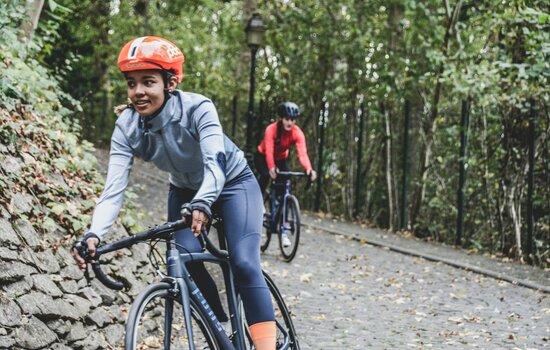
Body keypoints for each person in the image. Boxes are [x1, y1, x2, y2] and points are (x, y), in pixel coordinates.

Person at [70, 36, 276, 350]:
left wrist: (205, 201)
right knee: (183, 258)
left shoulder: (197, 107)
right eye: (131, 83)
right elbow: (113, 190)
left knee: (244, 263)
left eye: (148, 82)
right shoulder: (127, 127)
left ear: (171, 83)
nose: (138, 92)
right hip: (183, 189)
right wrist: (94, 233)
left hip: (233, 183)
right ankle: (219, 330)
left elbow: (215, 163)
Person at [255, 101, 317, 247]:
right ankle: (258, 202)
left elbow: (302, 153)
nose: (290, 122)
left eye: (293, 119)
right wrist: (271, 168)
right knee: (265, 175)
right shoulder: (271, 129)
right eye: (287, 119)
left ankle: (283, 230)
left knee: (285, 190)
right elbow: (269, 150)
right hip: (263, 156)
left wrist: (309, 168)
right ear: (281, 118)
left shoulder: (297, 133)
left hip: (281, 158)